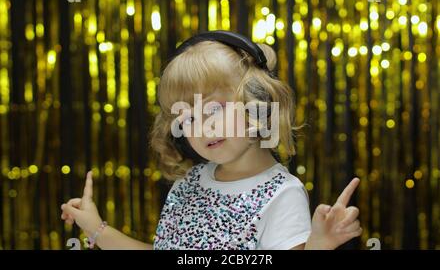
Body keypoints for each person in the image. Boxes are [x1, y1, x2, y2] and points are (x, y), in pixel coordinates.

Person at [61, 31, 362, 250]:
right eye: (188, 118)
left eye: (214, 109)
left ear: (257, 103)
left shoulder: (280, 195)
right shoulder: (190, 183)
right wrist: (95, 227)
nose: (202, 128)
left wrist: (319, 246)